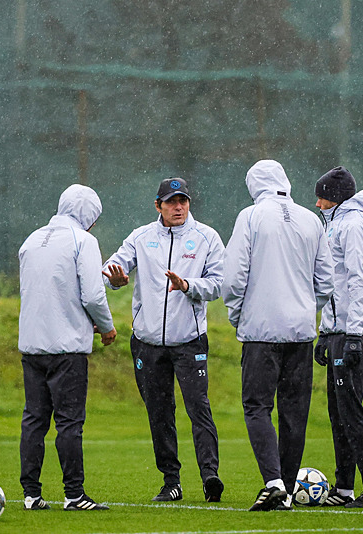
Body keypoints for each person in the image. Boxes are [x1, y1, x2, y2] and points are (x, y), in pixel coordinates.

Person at [102, 177, 225, 503]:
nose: (178, 207)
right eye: (171, 202)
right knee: (160, 414)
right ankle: (171, 482)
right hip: (148, 343)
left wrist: (187, 286)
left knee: (198, 408)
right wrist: (116, 278)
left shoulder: (207, 237)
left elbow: (219, 284)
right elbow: (112, 267)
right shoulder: (141, 237)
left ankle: (210, 476)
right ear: (158, 205)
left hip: (190, 341)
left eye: (183, 200)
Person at [222, 159, 334, 511]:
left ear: (254, 185)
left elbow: (233, 278)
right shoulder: (311, 219)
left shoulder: (251, 217)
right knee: (294, 412)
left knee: (257, 406)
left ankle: (273, 483)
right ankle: (286, 488)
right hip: (300, 332)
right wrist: (304, 307)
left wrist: (238, 314)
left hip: (261, 331)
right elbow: (326, 282)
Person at [18, 184, 117, 512]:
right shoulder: (83, 241)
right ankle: (74, 495)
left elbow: (44, 288)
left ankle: (31, 494)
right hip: (67, 348)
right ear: (89, 216)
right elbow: (91, 294)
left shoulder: (31, 240)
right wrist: (106, 327)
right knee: (69, 422)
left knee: (34, 419)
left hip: (32, 345)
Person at [313, 166, 363, 508]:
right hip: (340, 331)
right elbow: (333, 286)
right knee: (338, 413)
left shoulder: (354, 225)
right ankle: (343, 490)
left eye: (323, 196)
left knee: (352, 411)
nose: (317, 202)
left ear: (337, 197)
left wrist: (354, 334)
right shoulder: (336, 224)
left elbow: (359, 281)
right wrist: (326, 333)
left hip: (354, 332)